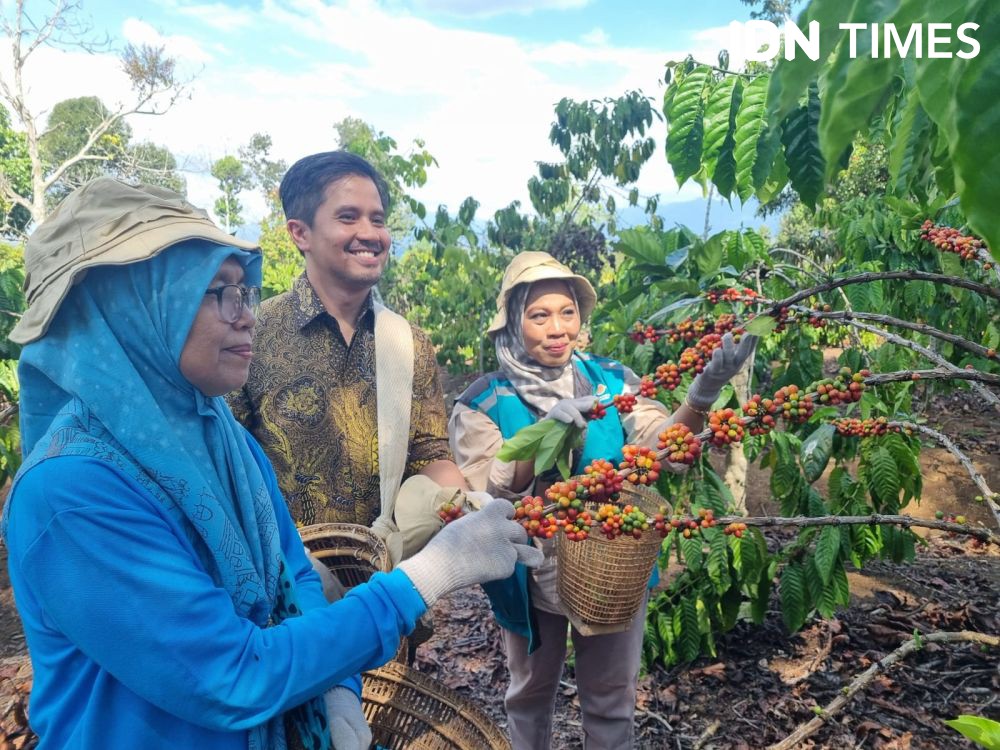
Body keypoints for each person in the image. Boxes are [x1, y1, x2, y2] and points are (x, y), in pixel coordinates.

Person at [1, 178, 542, 750]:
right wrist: (427, 577)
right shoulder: (72, 493)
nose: (245, 316)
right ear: (133, 307)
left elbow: (294, 575)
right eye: (218, 293)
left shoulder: (223, 440)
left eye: (245, 292)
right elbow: (228, 678)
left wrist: (336, 692)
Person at [448, 251, 756, 750]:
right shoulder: (485, 399)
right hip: (530, 572)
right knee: (528, 694)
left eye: (567, 312)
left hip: (612, 562)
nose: (557, 328)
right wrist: (543, 435)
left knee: (612, 697)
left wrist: (701, 396)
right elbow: (487, 490)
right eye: (539, 315)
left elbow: (661, 447)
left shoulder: (611, 382)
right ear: (513, 323)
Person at [227, 151, 471, 565]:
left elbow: (429, 454)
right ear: (300, 233)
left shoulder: (409, 343)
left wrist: (464, 507)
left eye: (377, 219)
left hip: (389, 582)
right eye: (348, 217)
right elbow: (226, 458)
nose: (370, 233)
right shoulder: (251, 334)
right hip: (285, 587)